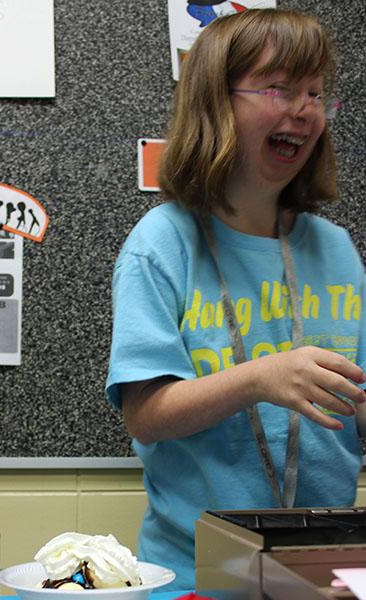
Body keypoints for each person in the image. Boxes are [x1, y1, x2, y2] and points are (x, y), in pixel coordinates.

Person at [106, 8, 366, 591]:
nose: (304, 110)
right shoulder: (162, 243)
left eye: (317, 93)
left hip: (321, 571)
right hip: (194, 574)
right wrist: (258, 378)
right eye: (280, 88)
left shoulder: (337, 250)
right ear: (217, 105)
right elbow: (143, 415)